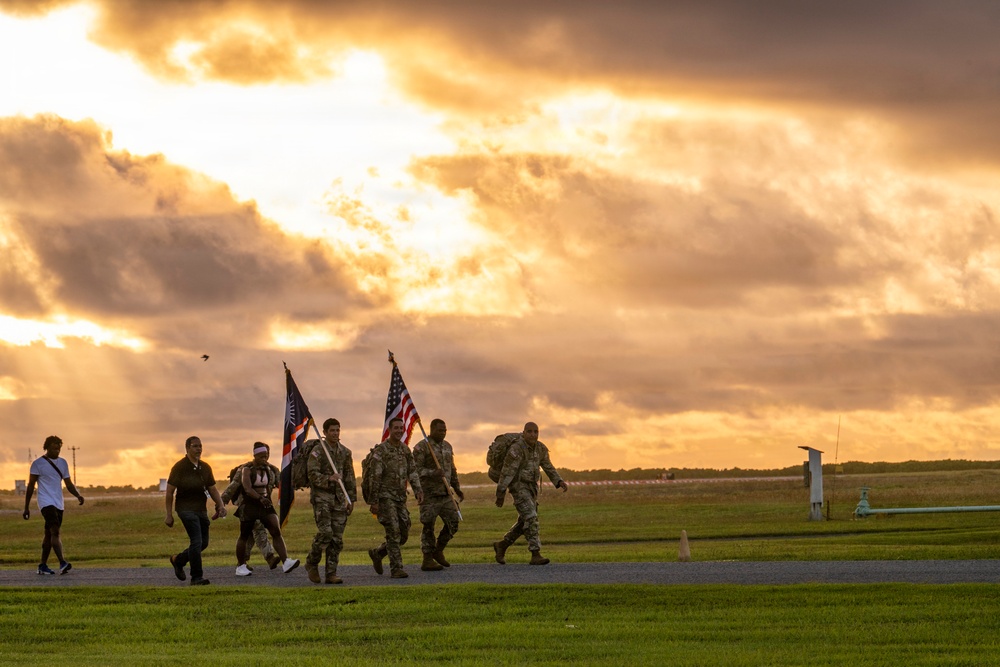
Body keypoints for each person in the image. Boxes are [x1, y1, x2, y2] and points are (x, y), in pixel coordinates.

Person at [493, 422, 569, 565]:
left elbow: (548, 466)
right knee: (531, 517)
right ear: (523, 432)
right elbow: (507, 472)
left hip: (531, 488)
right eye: (529, 431)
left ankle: (502, 545)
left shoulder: (540, 448)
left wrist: (559, 481)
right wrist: (500, 493)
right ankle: (535, 553)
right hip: (518, 486)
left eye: (535, 431)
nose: (533, 434)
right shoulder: (516, 449)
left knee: (524, 521)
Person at [164, 436, 227, 585]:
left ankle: (178, 560)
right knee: (196, 541)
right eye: (195, 446)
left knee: (203, 543)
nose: (198, 449)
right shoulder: (179, 467)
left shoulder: (205, 467)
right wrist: (169, 514)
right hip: (185, 509)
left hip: (200, 509)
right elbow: (169, 492)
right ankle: (196, 577)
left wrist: (221, 505)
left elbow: (212, 489)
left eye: (200, 446)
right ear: (187, 448)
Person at [367, 417, 424, 578]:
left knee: (403, 533)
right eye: (396, 428)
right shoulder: (381, 451)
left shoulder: (405, 450)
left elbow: (412, 472)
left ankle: (378, 553)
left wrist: (418, 490)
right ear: (390, 430)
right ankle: (396, 568)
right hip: (385, 498)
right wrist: (374, 501)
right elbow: (375, 477)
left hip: (400, 498)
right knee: (393, 531)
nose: (399, 431)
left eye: (401, 428)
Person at [22, 435, 85, 575]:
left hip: (58, 502)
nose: (57, 451)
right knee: (55, 531)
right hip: (45, 502)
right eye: (54, 448)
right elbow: (31, 486)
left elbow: (68, 484)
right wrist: (26, 507)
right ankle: (62, 562)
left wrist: (78, 495)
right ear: (47, 447)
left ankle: (42, 566)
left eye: (59, 448)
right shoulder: (37, 464)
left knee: (48, 534)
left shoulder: (63, 463)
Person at [234, 442, 299, 577]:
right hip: (249, 505)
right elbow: (247, 488)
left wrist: (295, 484)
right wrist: (259, 498)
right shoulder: (247, 470)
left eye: (266, 456)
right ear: (255, 455)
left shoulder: (269, 470)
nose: (264, 459)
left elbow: (281, 482)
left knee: (276, 530)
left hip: (264, 504)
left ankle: (286, 561)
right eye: (261, 456)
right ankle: (240, 566)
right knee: (244, 535)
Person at [304, 418, 356, 584]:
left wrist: (351, 499)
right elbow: (312, 474)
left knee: (337, 538)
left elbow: (349, 477)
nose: (335, 433)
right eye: (332, 430)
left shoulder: (345, 452)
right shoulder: (318, 452)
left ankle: (331, 573)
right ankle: (311, 562)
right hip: (322, 498)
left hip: (340, 499)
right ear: (325, 433)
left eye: (337, 430)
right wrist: (329, 478)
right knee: (326, 533)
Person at [412, 418, 463, 571]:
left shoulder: (447, 447)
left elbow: (452, 469)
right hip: (429, 494)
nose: (443, 433)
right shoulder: (422, 447)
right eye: (440, 430)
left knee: (454, 522)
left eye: (445, 430)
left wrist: (457, 487)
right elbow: (415, 471)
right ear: (432, 430)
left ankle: (438, 550)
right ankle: (427, 559)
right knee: (428, 526)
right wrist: (432, 473)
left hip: (446, 494)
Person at [220, 463, 280, 571]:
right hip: (245, 504)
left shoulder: (270, 470)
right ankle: (269, 556)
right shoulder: (245, 470)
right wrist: (222, 501)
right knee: (258, 527)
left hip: (260, 505)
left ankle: (242, 561)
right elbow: (234, 485)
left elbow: (278, 484)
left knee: (250, 536)